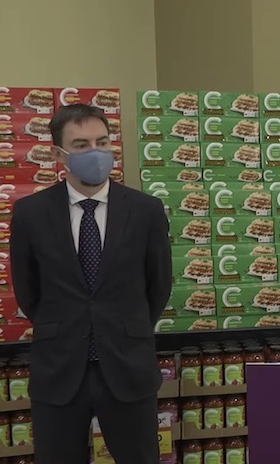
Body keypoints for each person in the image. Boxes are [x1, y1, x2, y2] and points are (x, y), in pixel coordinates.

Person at [9, 104, 172, 463]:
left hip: (128, 368)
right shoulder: (30, 214)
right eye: (81, 145)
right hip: (59, 369)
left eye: (102, 141)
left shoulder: (146, 210)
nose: (95, 152)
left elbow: (159, 285)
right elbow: (27, 289)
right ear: (58, 154)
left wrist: (127, 327)